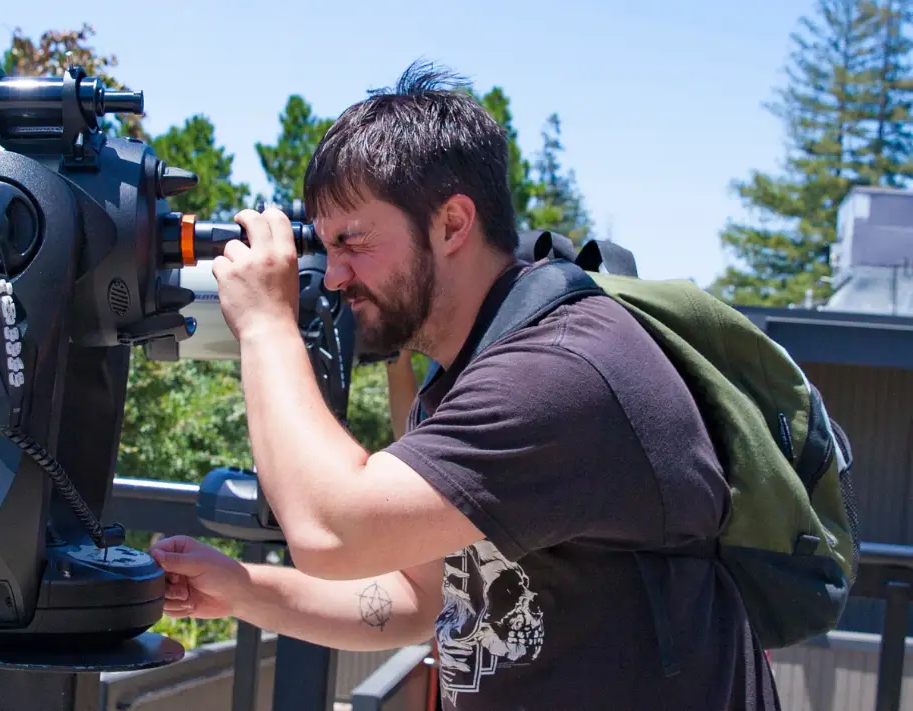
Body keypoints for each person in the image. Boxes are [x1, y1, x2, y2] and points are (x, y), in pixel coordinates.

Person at [150, 61, 780, 710]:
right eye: (325, 245)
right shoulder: (468, 372)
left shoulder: (557, 372)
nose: (333, 276)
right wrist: (241, 589)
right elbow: (418, 599)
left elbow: (334, 531)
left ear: (452, 223)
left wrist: (265, 323)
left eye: (352, 241)